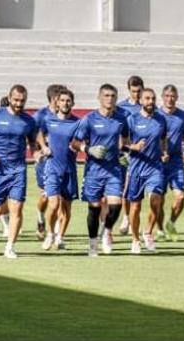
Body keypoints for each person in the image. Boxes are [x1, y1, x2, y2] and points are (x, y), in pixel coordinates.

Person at [0, 84, 39, 258]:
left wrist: (38, 154)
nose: (19, 104)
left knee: (17, 208)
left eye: (22, 101)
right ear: (9, 98)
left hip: (18, 168)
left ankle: (10, 247)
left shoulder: (29, 121)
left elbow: (32, 143)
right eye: (16, 100)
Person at [72, 84, 128, 256]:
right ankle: (92, 244)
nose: (109, 99)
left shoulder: (121, 119)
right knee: (94, 208)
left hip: (113, 170)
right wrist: (88, 149)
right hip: (94, 171)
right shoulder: (89, 119)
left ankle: (107, 231)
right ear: (99, 97)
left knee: (116, 205)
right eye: (106, 95)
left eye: (112, 96)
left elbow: (124, 139)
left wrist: (124, 153)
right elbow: (74, 143)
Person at [124, 88, 168, 254]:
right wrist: (133, 147)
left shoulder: (161, 120)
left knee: (156, 199)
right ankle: (135, 239)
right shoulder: (131, 120)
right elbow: (122, 143)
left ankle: (148, 232)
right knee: (135, 207)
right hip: (136, 168)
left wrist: (164, 152)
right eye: (147, 98)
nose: (150, 101)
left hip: (155, 168)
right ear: (141, 101)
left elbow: (164, 139)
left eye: (153, 98)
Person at [37, 88, 79, 251]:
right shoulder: (49, 120)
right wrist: (43, 147)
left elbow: (83, 139)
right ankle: (50, 234)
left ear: (72, 103)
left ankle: (60, 236)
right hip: (52, 168)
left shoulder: (78, 123)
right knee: (53, 204)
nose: (65, 103)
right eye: (62, 100)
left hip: (69, 170)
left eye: (68, 100)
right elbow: (39, 133)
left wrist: (79, 146)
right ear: (57, 102)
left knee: (66, 208)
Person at [156, 85, 184, 242]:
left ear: (176, 97)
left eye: (173, 96)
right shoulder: (155, 115)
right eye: (167, 96)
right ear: (162, 97)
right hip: (158, 162)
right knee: (158, 199)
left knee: (181, 196)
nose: (170, 99)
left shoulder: (183, 116)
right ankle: (160, 228)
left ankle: (171, 223)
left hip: (176, 161)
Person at [32, 84, 65, 240]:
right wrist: (36, 151)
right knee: (46, 196)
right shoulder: (40, 116)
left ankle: (57, 233)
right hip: (45, 162)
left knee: (60, 198)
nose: (64, 102)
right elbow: (31, 136)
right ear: (54, 99)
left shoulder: (65, 115)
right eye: (60, 99)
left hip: (62, 162)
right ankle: (40, 216)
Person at [117, 75, 144, 235]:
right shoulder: (122, 108)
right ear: (129, 90)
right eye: (133, 91)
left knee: (136, 188)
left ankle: (133, 218)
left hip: (141, 155)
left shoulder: (147, 106)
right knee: (125, 187)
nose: (136, 94)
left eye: (138, 91)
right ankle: (126, 217)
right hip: (125, 152)